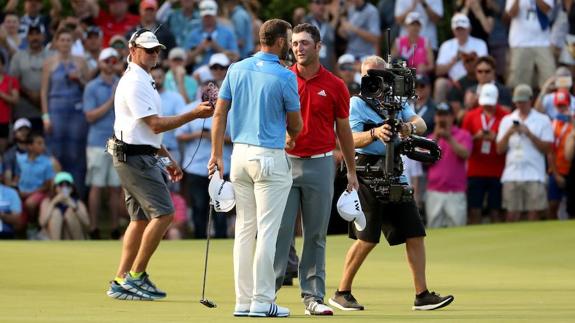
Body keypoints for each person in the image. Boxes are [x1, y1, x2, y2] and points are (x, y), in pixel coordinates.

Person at [328, 55, 454, 312]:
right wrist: (375, 133)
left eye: (379, 73)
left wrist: (408, 127)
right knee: (367, 238)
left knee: (415, 233)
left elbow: (421, 122)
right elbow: (349, 138)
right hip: (367, 174)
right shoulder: (356, 103)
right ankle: (342, 292)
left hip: (395, 172)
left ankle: (422, 294)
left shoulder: (396, 100)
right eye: (368, 74)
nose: (374, 78)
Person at [105, 29, 214, 301]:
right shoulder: (135, 82)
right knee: (164, 214)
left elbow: (149, 130)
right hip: (134, 157)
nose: (154, 54)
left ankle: (121, 280)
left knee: (140, 219)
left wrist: (168, 159)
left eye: (156, 50)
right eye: (148, 49)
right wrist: (194, 114)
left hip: (138, 154)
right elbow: (154, 124)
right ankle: (136, 277)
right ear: (132, 49)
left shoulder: (144, 79)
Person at [208, 19, 302, 317]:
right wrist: (290, 135)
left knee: (245, 230)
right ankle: (262, 301)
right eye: (288, 39)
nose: (289, 44)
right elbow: (297, 124)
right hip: (269, 158)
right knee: (267, 231)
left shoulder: (236, 68)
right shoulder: (285, 76)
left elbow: (220, 112)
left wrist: (216, 154)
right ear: (278, 42)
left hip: (239, 157)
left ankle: (243, 300)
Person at [272, 23, 358, 316]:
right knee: (280, 232)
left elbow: (344, 131)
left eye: (305, 43)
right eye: (295, 43)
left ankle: (313, 297)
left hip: (321, 164)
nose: (298, 48)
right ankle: (266, 294)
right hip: (284, 162)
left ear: (319, 46)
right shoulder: (282, 78)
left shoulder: (335, 85)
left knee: (315, 235)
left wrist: (351, 170)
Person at [40, 28, 90, 197]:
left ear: (72, 43)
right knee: (57, 151)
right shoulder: (49, 63)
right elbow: (44, 92)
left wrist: (80, 79)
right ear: (56, 42)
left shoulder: (81, 62)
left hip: (77, 112)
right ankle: (57, 195)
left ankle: (78, 195)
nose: (65, 43)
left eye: (69, 40)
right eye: (62, 40)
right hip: (56, 110)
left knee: (76, 153)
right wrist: (46, 116)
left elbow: (88, 88)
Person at [496, 84, 553, 222]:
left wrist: (529, 134)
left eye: (523, 101)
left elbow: (548, 148)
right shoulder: (507, 120)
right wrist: (509, 133)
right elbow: (499, 149)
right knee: (511, 215)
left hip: (534, 173)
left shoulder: (542, 120)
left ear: (530, 100)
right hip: (512, 173)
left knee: (534, 214)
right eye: (517, 101)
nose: (520, 104)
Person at [83, 47, 122, 240]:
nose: (110, 64)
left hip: (117, 141)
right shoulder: (92, 87)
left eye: (114, 61)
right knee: (97, 186)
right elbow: (90, 116)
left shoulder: (122, 84)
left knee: (115, 187)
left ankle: (115, 229)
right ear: (100, 63)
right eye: (107, 61)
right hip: (97, 141)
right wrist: (111, 100)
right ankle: (93, 228)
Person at [426, 103, 472, 228]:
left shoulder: (463, 135)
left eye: (445, 115)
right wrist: (436, 137)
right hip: (435, 191)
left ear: (452, 117)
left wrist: (449, 138)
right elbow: (425, 160)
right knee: (433, 229)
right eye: (439, 115)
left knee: (458, 229)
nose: (442, 119)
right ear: (435, 118)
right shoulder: (430, 138)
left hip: (455, 192)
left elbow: (465, 154)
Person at [9, 22, 50, 133]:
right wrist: (30, 95)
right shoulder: (18, 56)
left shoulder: (52, 55)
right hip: (23, 110)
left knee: (44, 144)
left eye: (38, 34)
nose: (35, 37)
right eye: (31, 34)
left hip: (47, 110)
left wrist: (41, 97)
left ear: (44, 36)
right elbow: (12, 81)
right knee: (24, 142)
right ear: (27, 37)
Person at [505, 0, 555, 89]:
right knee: (519, 83)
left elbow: (546, 9)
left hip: (543, 42)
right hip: (520, 42)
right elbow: (511, 13)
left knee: (549, 77)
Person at [38, 171, 90, 240]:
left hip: (73, 236)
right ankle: (56, 247)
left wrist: (74, 206)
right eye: (61, 184)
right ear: (55, 187)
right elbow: (42, 223)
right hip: (52, 236)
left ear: (72, 187)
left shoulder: (78, 202)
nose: (64, 188)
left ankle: (78, 246)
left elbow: (87, 223)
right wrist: (53, 203)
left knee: (69, 213)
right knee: (56, 213)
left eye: (67, 184)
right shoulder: (47, 201)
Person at [547, 90, 573, 219]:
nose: (562, 109)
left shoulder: (573, 124)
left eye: (564, 105)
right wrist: (556, 174)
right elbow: (550, 152)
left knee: (571, 207)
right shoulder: (551, 125)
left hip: (571, 170)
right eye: (559, 106)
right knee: (553, 204)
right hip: (556, 170)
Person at [0, 54, 20, 153]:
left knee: (2, 152)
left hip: (4, 121)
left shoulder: (11, 81)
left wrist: (1, 94)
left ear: (3, 65)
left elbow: (15, 100)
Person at [0, 164, 23, 239]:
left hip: (5, 235)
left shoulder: (11, 193)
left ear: (1, 176)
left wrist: (2, 215)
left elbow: (18, 221)